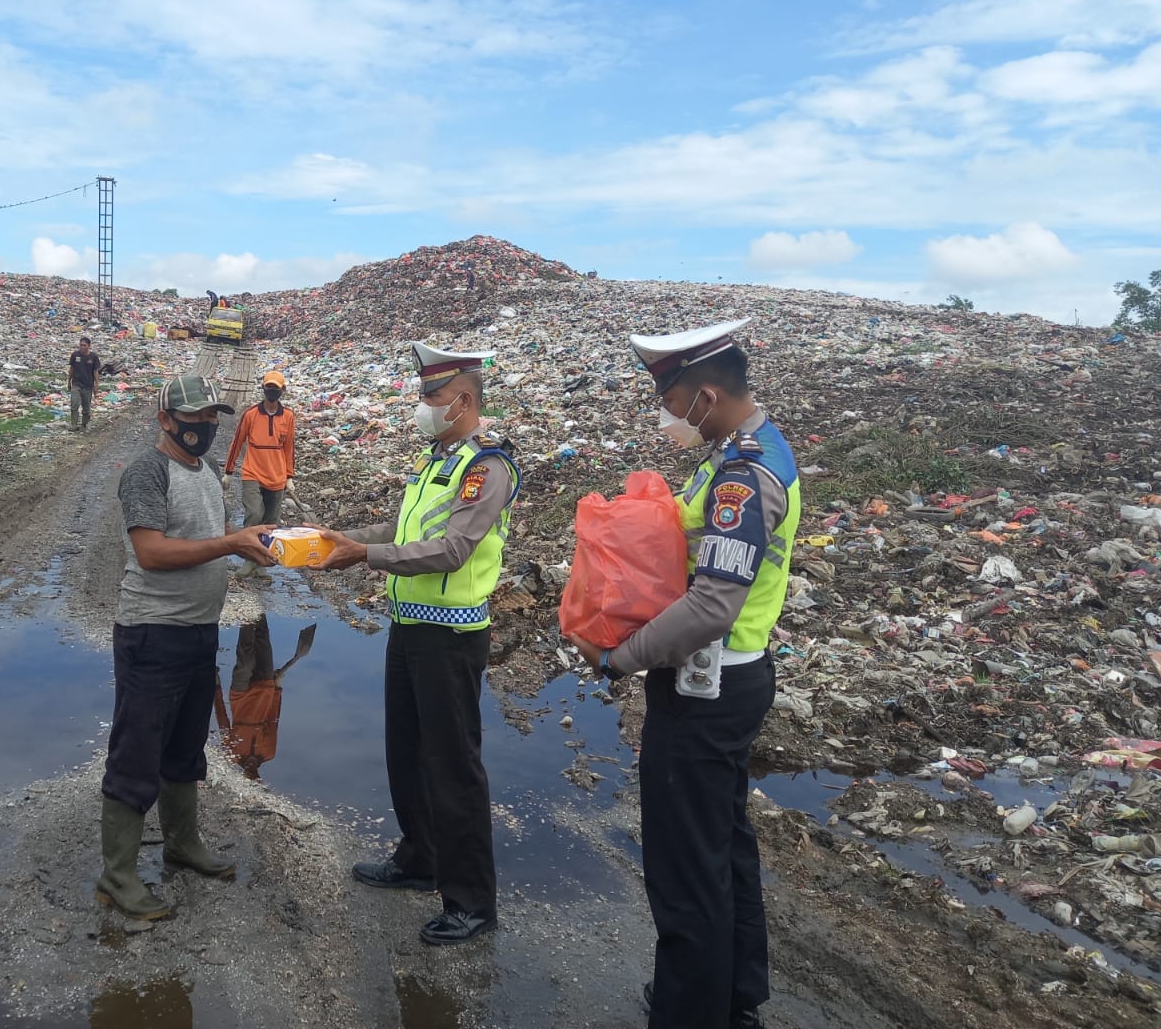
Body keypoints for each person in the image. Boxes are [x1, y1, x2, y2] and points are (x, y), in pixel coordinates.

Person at [566, 318, 798, 1029]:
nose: (666, 416)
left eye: (669, 401)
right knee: (723, 849)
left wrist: (618, 659)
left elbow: (712, 602)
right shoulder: (741, 453)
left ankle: (686, 1011)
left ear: (704, 393)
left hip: (708, 688)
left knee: (685, 870)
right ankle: (731, 998)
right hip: (726, 682)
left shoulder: (744, 476)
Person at [314, 343, 520, 946]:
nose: (422, 406)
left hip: (452, 635)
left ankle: (472, 900)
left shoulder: (488, 468)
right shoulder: (436, 461)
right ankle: (419, 857)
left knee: (453, 766)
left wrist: (365, 556)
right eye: (423, 395)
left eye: (432, 397)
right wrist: (337, 540)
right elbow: (403, 532)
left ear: (465, 400)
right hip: (411, 625)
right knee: (405, 749)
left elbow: (454, 548)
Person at [96, 374, 278, 921]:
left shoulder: (204, 474)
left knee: (184, 748)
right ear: (166, 420)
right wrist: (230, 542)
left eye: (211, 418)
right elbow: (151, 552)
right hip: (152, 633)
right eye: (193, 418)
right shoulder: (146, 472)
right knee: (136, 754)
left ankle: (182, 843)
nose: (204, 427)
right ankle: (118, 876)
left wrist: (263, 544)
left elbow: (213, 540)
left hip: (200, 631)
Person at [212, 616, 315, 781]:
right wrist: (278, 688)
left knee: (245, 659)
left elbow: (222, 720)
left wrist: (216, 686)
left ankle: (246, 615)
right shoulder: (268, 753)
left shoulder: (232, 754)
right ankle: (259, 611)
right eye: (255, 777)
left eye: (248, 777)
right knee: (263, 642)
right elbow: (274, 719)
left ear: (244, 777)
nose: (251, 772)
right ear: (259, 777)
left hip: (240, 696)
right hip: (265, 691)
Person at [223, 369, 297, 549]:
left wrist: (289, 476)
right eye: (269, 387)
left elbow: (289, 447)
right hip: (252, 472)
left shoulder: (288, 416)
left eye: (275, 388)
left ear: (283, 390)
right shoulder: (251, 414)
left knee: (271, 522)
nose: (272, 391)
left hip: (277, 476)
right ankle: (249, 555)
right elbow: (237, 442)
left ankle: (261, 562)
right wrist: (229, 472)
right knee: (254, 514)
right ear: (263, 388)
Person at [67, 335, 103, 431]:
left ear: (89, 346)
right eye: (81, 345)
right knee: (74, 404)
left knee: (86, 408)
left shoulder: (93, 357)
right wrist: (69, 381)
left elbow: (95, 371)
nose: (82, 347)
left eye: (84, 345)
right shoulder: (75, 355)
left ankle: (84, 424)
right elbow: (72, 369)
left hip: (87, 385)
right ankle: (73, 424)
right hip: (76, 384)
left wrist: (97, 384)